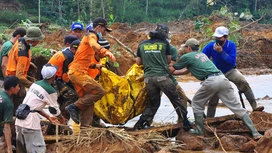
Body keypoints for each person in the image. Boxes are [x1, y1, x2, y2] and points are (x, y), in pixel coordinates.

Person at [169, 38, 262, 139]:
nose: (185, 50)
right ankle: (255, 133)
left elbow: (172, 69)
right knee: (237, 107)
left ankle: (199, 132)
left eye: (186, 48)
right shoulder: (202, 55)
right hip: (222, 79)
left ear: (189, 48)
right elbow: (186, 70)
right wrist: (175, 73)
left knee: (196, 102)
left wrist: (165, 69)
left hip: (211, 81)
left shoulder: (187, 56)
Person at [133, 24, 191, 130]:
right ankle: (186, 123)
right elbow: (169, 60)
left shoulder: (142, 44)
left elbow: (138, 62)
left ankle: (139, 124)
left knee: (153, 103)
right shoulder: (165, 44)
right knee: (176, 100)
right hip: (162, 77)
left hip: (148, 79)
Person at [202, 26, 264, 118]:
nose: (217, 40)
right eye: (216, 38)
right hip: (216, 73)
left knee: (243, 82)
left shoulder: (231, 45)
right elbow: (202, 57)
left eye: (220, 38)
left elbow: (231, 61)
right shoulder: (210, 46)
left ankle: (254, 106)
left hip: (230, 70)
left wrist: (221, 52)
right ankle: (210, 118)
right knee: (213, 96)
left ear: (226, 37)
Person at [65, 17, 116, 127]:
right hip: (78, 73)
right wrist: (104, 51)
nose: (105, 33)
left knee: (89, 101)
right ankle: (74, 107)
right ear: (99, 27)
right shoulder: (91, 36)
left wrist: (95, 65)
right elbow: (94, 44)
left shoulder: (87, 40)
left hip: (76, 72)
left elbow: (83, 60)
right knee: (99, 91)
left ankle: (85, 129)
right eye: (104, 30)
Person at [15, 64, 65, 153]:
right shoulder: (50, 91)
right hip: (30, 123)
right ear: (53, 76)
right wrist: (62, 118)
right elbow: (54, 110)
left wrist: (48, 117)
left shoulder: (35, 84)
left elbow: (34, 107)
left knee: (22, 150)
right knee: (38, 150)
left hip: (20, 120)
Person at [6, 27, 45, 113]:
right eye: (38, 41)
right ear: (32, 40)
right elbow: (19, 76)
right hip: (15, 81)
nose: (38, 43)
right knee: (20, 104)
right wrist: (34, 86)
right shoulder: (22, 54)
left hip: (11, 76)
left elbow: (11, 54)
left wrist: (28, 63)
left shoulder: (20, 41)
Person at [0, 76, 20, 153]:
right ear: (12, 88)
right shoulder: (8, 103)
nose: (19, 88)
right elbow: (7, 127)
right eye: (18, 86)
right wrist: (9, 148)